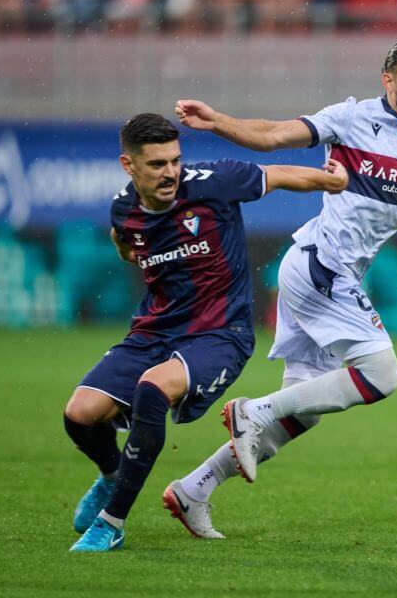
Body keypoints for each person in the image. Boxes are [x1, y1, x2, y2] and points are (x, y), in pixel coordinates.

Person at [168, 40, 397, 537]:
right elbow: (272, 136)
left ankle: (193, 489)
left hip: (333, 273)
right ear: (389, 80)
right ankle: (251, 410)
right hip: (319, 266)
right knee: (382, 374)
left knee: (304, 412)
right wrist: (219, 121)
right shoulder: (350, 119)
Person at [65, 113, 348, 551]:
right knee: (80, 415)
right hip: (154, 331)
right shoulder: (124, 208)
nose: (170, 172)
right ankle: (111, 475)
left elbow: (277, 174)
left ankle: (112, 522)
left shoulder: (213, 181)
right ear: (129, 165)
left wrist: (330, 183)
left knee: (152, 389)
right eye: (157, 164)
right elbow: (124, 241)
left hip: (221, 334)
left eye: (175, 160)